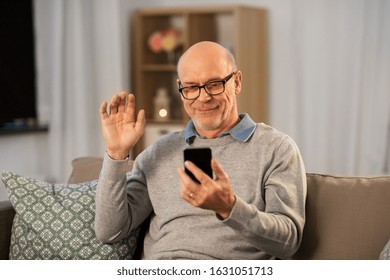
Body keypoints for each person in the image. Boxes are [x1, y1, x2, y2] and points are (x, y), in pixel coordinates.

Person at [95, 41, 307, 260]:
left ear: (237, 82)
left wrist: (230, 208)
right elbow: (110, 231)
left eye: (215, 84)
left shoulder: (277, 148)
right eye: (191, 87)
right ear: (180, 88)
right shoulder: (157, 152)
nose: (203, 97)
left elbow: (288, 242)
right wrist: (116, 153)